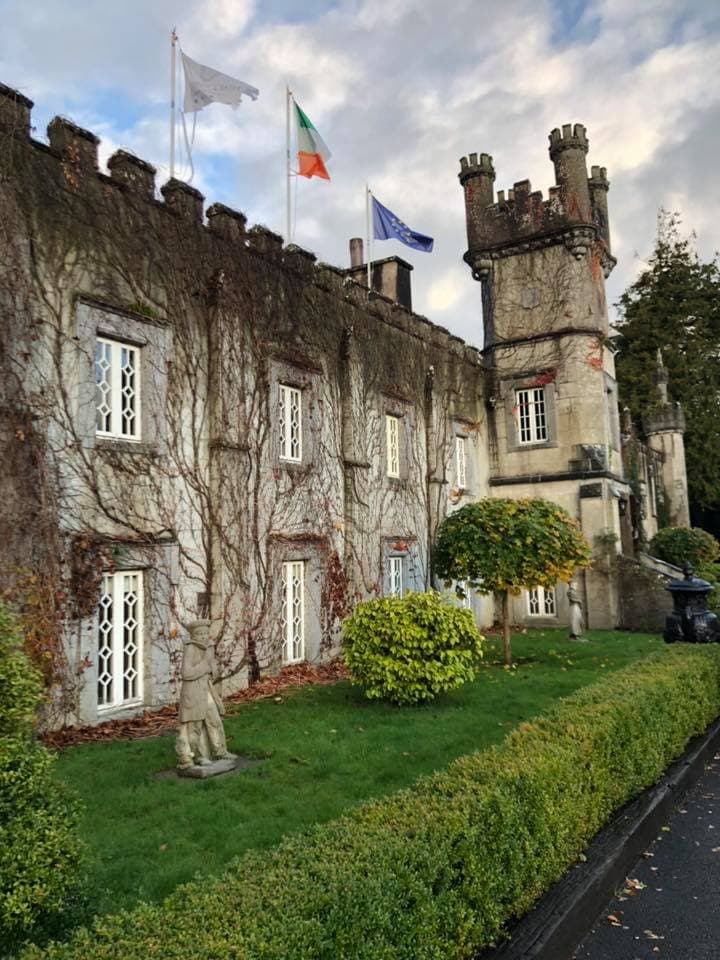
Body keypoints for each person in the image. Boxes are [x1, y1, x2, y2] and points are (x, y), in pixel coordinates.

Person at [175, 620, 235, 768]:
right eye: (199, 634)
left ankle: (220, 750)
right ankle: (198, 756)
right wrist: (205, 665)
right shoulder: (190, 648)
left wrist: (213, 668)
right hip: (193, 691)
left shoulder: (209, 647)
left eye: (205, 633)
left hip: (206, 689)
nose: (203, 637)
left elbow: (212, 669)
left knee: (214, 719)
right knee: (196, 725)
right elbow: (186, 673)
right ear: (193, 635)